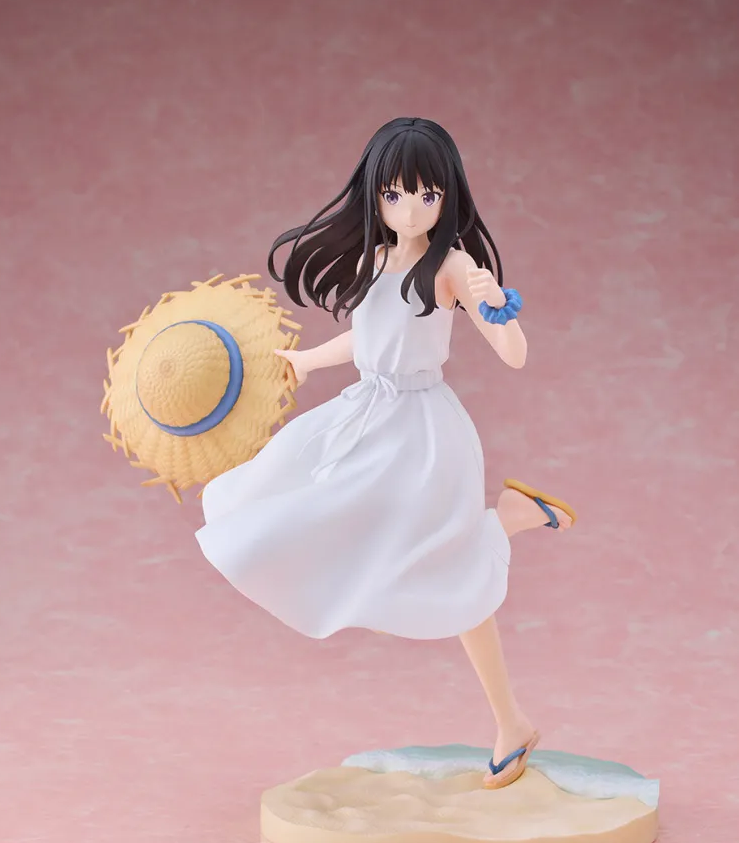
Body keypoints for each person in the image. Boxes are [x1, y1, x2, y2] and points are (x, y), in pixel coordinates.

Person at [196, 117, 576, 789]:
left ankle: (511, 715)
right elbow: (367, 338)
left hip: (422, 435)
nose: (410, 210)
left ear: (447, 196)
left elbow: (514, 356)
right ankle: (509, 526)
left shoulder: (453, 266)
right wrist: (308, 361)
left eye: (427, 196)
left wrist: (497, 305)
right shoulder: (376, 260)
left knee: (448, 576)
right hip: (364, 416)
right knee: (291, 499)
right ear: (375, 194)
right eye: (395, 195)